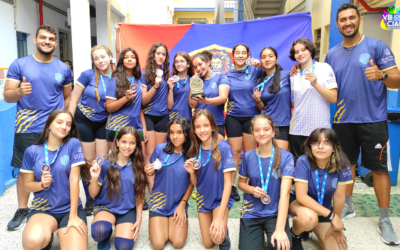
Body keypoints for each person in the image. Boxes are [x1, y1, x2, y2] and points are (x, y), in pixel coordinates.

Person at [324, 3, 400, 245]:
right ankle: (348, 205)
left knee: (378, 169)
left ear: (359, 20)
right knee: (346, 166)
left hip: (373, 120)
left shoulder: (376, 46)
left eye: (351, 18)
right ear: (337, 25)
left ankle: (385, 219)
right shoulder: (332, 53)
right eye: (343, 20)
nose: (347, 23)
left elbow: (396, 81)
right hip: (343, 119)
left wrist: (383, 75)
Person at [4, 25, 73, 231]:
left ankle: (58, 206)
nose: (47, 41)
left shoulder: (63, 69)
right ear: (35, 39)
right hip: (28, 126)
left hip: (55, 127)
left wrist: (65, 120)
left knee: (58, 168)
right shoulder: (20, 64)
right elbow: (7, 94)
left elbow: (68, 96)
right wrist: (19, 92)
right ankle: (23, 209)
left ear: (55, 43)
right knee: (25, 171)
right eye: (43, 38)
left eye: (51, 39)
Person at [20, 109, 89, 250]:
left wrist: (74, 216)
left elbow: (74, 180)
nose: (64, 127)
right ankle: (47, 238)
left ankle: (64, 226)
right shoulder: (32, 151)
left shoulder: (73, 144)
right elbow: (27, 186)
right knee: (32, 241)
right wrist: (41, 184)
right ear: (49, 124)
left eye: (68, 124)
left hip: (69, 208)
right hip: (42, 210)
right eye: (59, 122)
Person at [289, 128, 352, 250]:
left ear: (334, 148)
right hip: (300, 205)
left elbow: (339, 196)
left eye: (327, 143)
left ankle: (310, 228)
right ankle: (295, 234)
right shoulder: (303, 161)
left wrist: (336, 224)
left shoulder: (342, 163)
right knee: (309, 219)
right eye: (316, 143)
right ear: (310, 146)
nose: (320, 147)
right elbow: (301, 196)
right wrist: (332, 216)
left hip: (324, 209)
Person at [68, 45, 113, 216]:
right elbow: (73, 99)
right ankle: (90, 198)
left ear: (110, 56)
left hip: (103, 122)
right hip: (83, 121)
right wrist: (69, 122)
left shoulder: (117, 76)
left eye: (103, 56)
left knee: (101, 160)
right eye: (96, 58)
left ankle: (99, 195)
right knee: (87, 161)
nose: (100, 61)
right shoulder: (87, 75)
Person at [238, 114, 293, 250]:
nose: (261, 133)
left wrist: (280, 230)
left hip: (274, 212)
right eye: (257, 130)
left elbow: (285, 194)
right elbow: (241, 183)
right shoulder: (248, 156)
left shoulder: (286, 157)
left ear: (273, 131)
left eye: (266, 129)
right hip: (252, 212)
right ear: (253, 133)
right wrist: (251, 190)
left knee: (281, 247)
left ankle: (277, 232)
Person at [184, 109, 235, 249]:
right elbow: (196, 184)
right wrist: (191, 173)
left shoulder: (224, 148)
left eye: (206, 125)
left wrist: (219, 218)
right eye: (198, 127)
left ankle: (224, 231)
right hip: (203, 199)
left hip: (220, 199)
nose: (202, 130)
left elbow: (228, 184)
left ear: (212, 126)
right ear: (194, 130)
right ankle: (220, 225)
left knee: (218, 239)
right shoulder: (194, 150)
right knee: (208, 244)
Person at [89, 126, 147, 250]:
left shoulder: (138, 166)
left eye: (132, 143)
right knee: (99, 232)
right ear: (117, 142)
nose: (127, 146)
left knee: (124, 247)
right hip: (107, 208)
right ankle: (106, 233)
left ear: (136, 145)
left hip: (127, 210)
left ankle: (119, 226)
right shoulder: (104, 163)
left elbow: (140, 194)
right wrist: (94, 178)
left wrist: (139, 218)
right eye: (124, 142)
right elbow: (93, 194)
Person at [144, 116, 194, 249]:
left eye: (179, 132)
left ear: (186, 133)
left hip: (178, 203)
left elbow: (192, 183)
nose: (175, 137)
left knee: (177, 243)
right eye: (171, 132)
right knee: (158, 244)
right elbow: (152, 170)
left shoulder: (191, 155)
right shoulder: (160, 149)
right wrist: (149, 172)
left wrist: (182, 205)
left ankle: (172, 218)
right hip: (159, 202)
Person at [288, 38, 338, 163]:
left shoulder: (324, 68)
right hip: (297, 128)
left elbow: (333, 98)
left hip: (319, 128)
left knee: (319, 164)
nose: (300, 54)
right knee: (298, 164)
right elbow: (298, 100)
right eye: (296, 52)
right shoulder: (293, 74)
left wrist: (315, 83)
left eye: (303, 50)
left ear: (310, 51)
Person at [225, 44, 263, 202]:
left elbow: (274, 70)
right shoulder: (227, 74)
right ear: (233, 55)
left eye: (244, 53)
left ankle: (247, 185)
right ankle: (232, 186)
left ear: (248, 55)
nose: (240, 55)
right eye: (237, 53)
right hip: (233, 116)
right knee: (234, 153)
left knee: (249, 154)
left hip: (251, 117)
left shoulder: (256, 70)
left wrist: (260, 64)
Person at [105, 48, 147, 150]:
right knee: (117, 163)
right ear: (121, 61)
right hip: (117, 128)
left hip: (137, 127)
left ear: (136, 61)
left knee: (139, 162)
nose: (129, 59)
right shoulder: (114, 80)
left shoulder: (137, 80)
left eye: (132, 57)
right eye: (126, 57)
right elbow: (109, 107)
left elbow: (138, 106)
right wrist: (126, 98)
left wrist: (144, 127)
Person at [253, 47, 291, 151]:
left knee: (280, 159)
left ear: (277, 59)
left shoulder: (287, 75)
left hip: (283, 124)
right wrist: (257, 100)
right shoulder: (260, 81)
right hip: (266, 125)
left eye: (270, 56)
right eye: (264, 57)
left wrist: (291, 104)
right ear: (261, 61)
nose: (267, 59)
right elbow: (262, 107)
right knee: (266, 159)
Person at [189, 51, 230, 141]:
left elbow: (223, 98)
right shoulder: (197, 81)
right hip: (199, 125)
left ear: (208, 62)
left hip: (216, 123)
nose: (198, 69)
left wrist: (206, 101)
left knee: (216, 153)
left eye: (200, 64)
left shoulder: (220, 77)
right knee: (201, 153)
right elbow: (192, 105)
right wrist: (193, 85)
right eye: (195, 67)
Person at [140, 43, 170, 166]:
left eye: (164, 54)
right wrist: (156, 86)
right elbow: (142, 101)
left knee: (159, 153)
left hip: (163, 117)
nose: (161, 56)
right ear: (153, 55)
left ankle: (158, 184)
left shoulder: (167, 74)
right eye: (158, 53)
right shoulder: (144, 74)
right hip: (148, 117)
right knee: (150, 154)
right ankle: (151, 185)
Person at [168, 52, 194, 121]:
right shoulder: (171, 81)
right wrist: (170, 89)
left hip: (187, 119)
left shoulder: (193, 80)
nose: (179, 64)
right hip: (173, 119)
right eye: (176, 62)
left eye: (182, 61)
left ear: (188, 64)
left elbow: (193, 104)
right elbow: (169, 106)